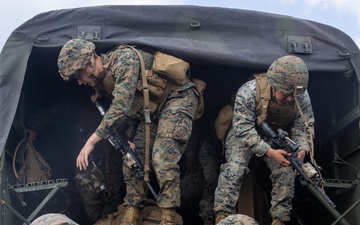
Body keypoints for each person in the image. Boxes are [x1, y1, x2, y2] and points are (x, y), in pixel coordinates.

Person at [57, 39, 200, 225]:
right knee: (131, 157)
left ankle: (168, 216)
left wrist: (90, 143)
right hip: (152, 113)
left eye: (78, 76)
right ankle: (131, 212)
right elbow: (133, 111)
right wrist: (129, 139)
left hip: (177, 98)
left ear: (89, 63)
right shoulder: (103, 83)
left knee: (162, 157)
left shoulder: (124, 60)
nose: (80, 82)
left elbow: (120, 108)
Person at [214, 55, 315, 225]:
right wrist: (269, 152)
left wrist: (302, 150)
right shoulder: (249, 91)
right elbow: (243, 129)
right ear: (274, 85)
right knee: (234, 168)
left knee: (286, 171)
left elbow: (302, 127)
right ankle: (222, 217)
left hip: (274, 137)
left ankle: (279, 220)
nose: (291, 99)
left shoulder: (300, 97)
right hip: (244, 135)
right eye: (286, 94)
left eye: (294, 95)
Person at [27, 93, 137, 224]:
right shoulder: (81, 100)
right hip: (86, 161)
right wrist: (34, 127)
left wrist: (130, 138)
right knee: (90, 204)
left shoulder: (115, 98)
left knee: (114, 202)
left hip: (111, 160)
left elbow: (131, 116)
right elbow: (55, 110)